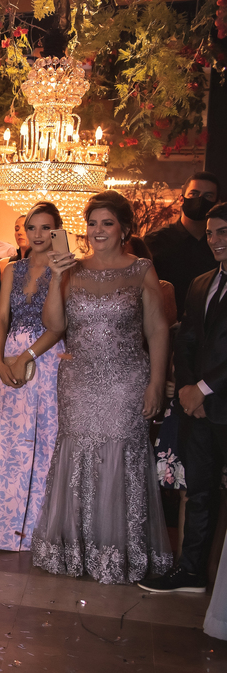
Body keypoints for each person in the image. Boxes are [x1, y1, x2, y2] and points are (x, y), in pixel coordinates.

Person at [31, 191, 172, 584]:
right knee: (79, 457)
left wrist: (156, 383)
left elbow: (157, 329)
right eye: (92, 223)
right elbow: (54, 325)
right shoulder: (72, 268)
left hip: (127, 380)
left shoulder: (141, 269)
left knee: (119, 458)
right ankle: (75, 550)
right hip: (78, 381)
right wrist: (58, 276)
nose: (97, 231)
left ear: (124, 228)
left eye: (106, 223)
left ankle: (116, 551)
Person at [143, 203, 227, 595]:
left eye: (224, 232)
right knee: (198, 490)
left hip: (219, 399)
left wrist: (206, 389)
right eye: (211, 233)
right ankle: (190, 572)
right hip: (197, 406)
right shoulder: (201, 283)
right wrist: (189, 387)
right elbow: (188, 339)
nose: (216, 240)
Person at [0, 202, 65, 551]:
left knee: (44, 442)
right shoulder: (11, 269)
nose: (39, 235)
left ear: (57, 231)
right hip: (10, 359)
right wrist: (0, 361)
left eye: (46, 228)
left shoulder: (67, 269)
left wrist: (26, 357)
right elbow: (1, 318)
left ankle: (37, 533)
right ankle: (5, 529)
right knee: (10, 444)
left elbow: (59, 326)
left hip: (47, 361)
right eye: (33, 228)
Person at [145, 172, 219, 319]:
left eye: (208, 196)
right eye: (194, 193)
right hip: (166, 327)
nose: (200, 200)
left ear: (217, 203)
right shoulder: (155, 242)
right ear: (181, 199)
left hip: (213, 330)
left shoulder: (221, 244)